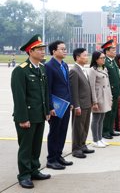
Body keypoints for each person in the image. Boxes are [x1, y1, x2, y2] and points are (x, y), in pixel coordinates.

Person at [11, 34, 51, 189]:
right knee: (26, 147)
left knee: (36, 145)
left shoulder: (41, 68)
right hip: (26, 116)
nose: (43, 52)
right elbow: (19, 97)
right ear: (30, 51)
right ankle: (24, 175)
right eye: (39, 49)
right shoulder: (20, 71)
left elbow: (44, 92)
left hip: (39, 114)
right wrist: (22, 118)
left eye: (43, 49)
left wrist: (46, 111)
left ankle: (34, 170)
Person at [45, 40, 73, 170]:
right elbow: (48, 89)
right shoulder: (49, 66)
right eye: (62, 49)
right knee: (54, 132)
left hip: (66, 104)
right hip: (56, 107)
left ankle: (58, 156)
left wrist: (71, 102)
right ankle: (51, 159)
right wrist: (50, 107)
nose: (65, 51)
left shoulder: (65, 65)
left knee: (63, 131)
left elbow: (67, 86)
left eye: (65, 48)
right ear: (54, 51)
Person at [69, 48, 94, 159]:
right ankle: (76, 149)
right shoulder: (74, 71)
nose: (87, 57)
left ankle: (82, 145)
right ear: (78, 57)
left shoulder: (83, 69)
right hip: (80, 105)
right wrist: (76, 105)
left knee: (85, 126)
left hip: (87, 103)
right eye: (85, 55)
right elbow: (74, 91)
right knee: (77, 127)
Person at [88, 51, 112, 148]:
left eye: (104, 58)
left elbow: (108, 85)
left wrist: (110, 97)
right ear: (96, 59)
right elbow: (92, 87)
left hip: (105, 96)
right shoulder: (92, 70)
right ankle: (95, 140)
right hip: (98, 98)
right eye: (101, 58)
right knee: (96, 119)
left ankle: (100, 138)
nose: (103, 60)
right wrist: (94, 102)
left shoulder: (104, 68)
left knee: (102, 119)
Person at [101, 40, 120, 140]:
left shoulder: (112, 61)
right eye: (112, 49)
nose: (115, 51)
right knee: (108, 112)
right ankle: (104, 131)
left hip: (116, 91)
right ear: (107, 51)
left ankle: (110, 130)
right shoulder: (105, 62)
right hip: (109, 92)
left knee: (113, 111)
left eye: (115, 49)